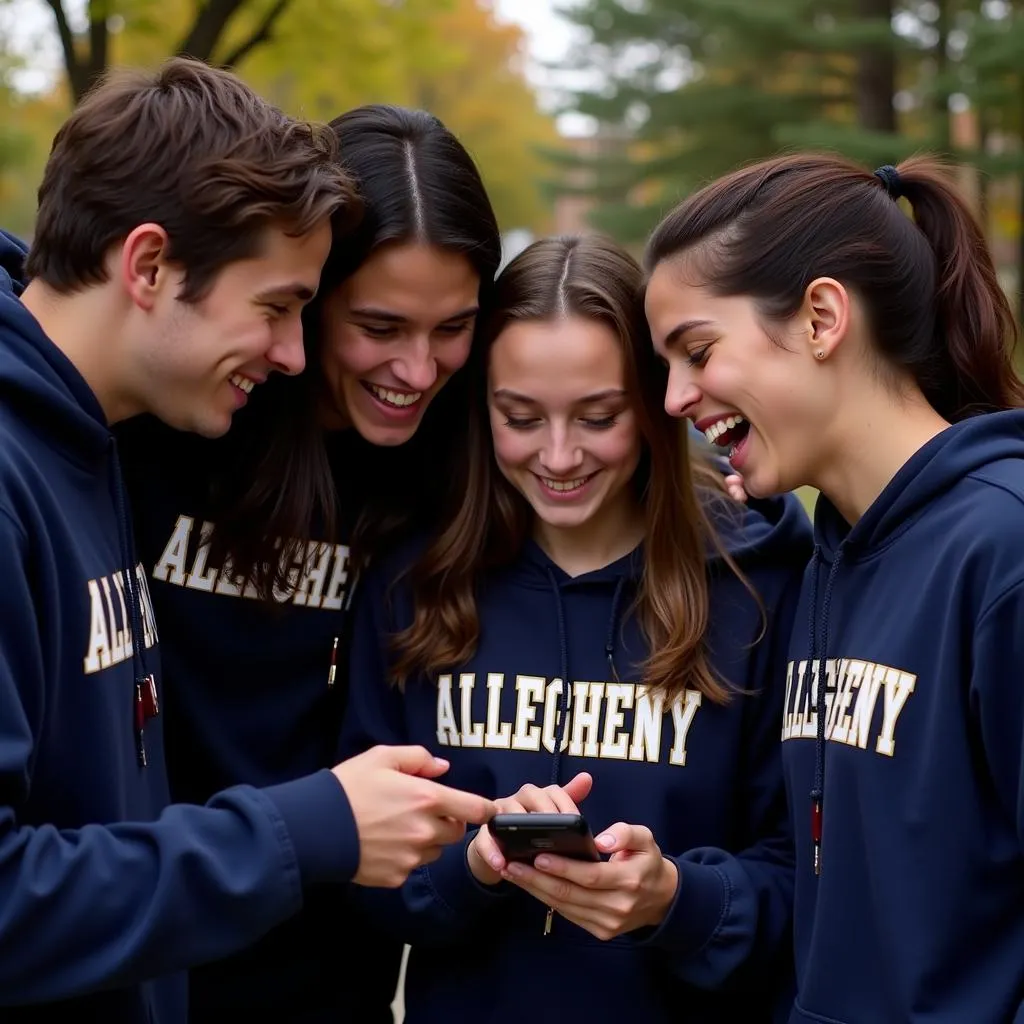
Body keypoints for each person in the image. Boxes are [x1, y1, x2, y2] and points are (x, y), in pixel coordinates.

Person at [0, 58, 494, 1024]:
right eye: (282, 308)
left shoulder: (87, 436)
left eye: (453, 330)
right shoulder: (104, 446)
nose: (293, 352)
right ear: (146, 266)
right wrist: (303, 829)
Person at [340, 235, 813, 1023]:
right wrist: (477, 866)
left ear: (657, 403)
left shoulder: (754, 583)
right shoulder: (412, 582)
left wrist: (675, 899)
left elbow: (802, 871)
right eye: (520, 417)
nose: (559, 456)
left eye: (599, 417)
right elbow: (360, 877)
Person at [643, 153, 1024, 1024]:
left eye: (697, 351)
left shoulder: (1002, 550)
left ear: (820, 317)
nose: (673, 398)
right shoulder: (828, 558)